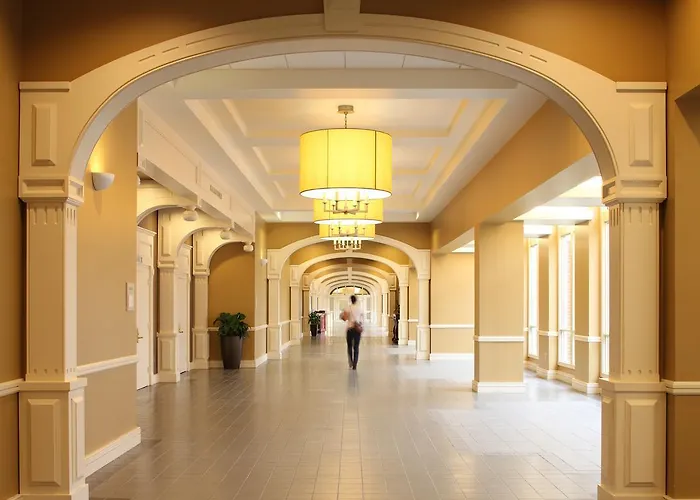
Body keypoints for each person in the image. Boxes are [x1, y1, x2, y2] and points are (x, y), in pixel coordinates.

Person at [340, 295, 364, 370]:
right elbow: (362, 320)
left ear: (351, 300)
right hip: (357, 330)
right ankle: (355, 364)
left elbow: (344, 318)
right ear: (356, 300)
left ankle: (350, 362)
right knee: (356, 347)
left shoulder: (348, 308)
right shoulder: (360, 309)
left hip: (350, 329)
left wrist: (342, 315)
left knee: (349, 346)